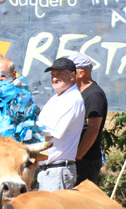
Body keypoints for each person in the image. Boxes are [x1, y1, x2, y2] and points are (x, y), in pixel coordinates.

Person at [35, 57, 85, 191]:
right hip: (46, 171)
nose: (55, 78)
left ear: (73, 75)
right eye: (53, 75)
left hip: (56, 172)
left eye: (60, 74)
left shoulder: (71, 100)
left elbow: (46, 136)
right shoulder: (58, 97)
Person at [68, 53, 107, 185]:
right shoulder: (77, 92)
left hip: (85, 161)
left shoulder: (94, 95)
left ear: (81, 73)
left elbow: (92, 130)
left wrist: (77, 157)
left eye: (69, 72)